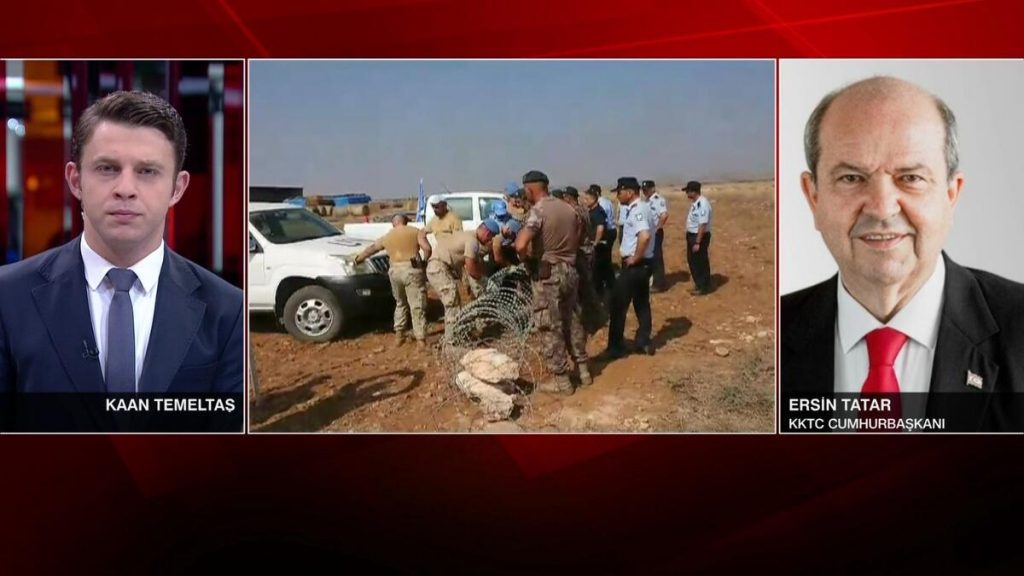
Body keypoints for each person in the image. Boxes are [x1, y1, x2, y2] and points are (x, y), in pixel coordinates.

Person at [781, 76, 1024, 431]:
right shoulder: (776, 334)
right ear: (813, 197)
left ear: (951, 195)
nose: (881, 208)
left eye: (910, 178)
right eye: (851, 178)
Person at [0, 91, 243, 408]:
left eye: (147, 171)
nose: (125, 189)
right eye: (107, 168)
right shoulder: (8, 297)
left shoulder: (228, 311)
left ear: (177, 188)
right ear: (76, 180)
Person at [514, 170, 589, 393]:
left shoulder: (538, 211)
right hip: (571, 270)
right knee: (572, 319)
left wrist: (526, 259)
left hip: (549, 274)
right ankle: (584, 370)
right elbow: (580, 237)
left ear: (530, 189)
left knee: (549, 324)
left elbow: (520, 244)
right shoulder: (569, 209)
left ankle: (562, 380)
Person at [354, 214, 431, 347]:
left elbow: (372, 249)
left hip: (394, 271)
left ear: (393, 223)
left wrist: (358, 258)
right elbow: (427, 248)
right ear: (405, 222)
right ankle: (421, 339)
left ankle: (399, 335)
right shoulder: (415, 232)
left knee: (400, 303)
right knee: (417, 304)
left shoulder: (387, 236)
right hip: (411, 270)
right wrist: (424, 261)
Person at [606, 177, 656, 358]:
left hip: (635, 265)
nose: (618, 196)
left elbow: (644, 236)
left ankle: (616, 347)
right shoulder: (644, 207)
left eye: (619, 192)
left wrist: (635, 257)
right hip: (644, 265)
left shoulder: (637, 210)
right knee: (642, 303)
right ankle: (643, 341)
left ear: (630, 192)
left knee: (618, 304)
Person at [425, 228, 484, 340]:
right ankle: (451, 340)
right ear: (486, 232)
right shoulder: (472, 241)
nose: (489, 240)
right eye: (490, 237)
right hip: (438, 267)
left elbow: (459, 264)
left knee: (454, 300)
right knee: (452, 301)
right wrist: (480, 279)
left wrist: (465, 283)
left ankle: (456, 335)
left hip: (438, 267)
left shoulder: (464, 235)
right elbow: (470, 266)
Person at [560, 186, 604, 332]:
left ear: (568, 198)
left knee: (583, 287)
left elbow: (576, 234)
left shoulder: (575, 212)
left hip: (582, 252)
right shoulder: (582, 210)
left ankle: (591, 319)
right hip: (585, 250)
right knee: (586, 285)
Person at [684, 180, 713, 295]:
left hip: (699, 236)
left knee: (700, 261)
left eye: (688, 191)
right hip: (692, 235)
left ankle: (704, 286)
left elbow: (702, 224)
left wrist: (697, 242)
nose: (686, 193)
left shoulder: (703, 204)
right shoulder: (696, 203)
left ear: (693, 192)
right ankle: (699, 284)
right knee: (692, 261)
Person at [642, 179, 669, 291]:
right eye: (644, 190)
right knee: (649, 256)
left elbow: (664, 215)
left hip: (655, 232)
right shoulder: (647, 201)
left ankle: (659, 284)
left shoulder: (658, 200)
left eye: (647, 189)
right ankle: (651, 280)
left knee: (656, 257)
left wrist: (658, 228)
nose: (645, 192)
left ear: (653, 188)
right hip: (648, 232)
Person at [589, 184, 616, 296]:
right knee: (606, 258)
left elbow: (600, 224)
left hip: (606, 232)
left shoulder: (601, 205)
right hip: (611, 230)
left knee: (602, 259)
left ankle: (606, 283)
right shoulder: (607, 201)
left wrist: (596, 241)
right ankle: (609, 282)